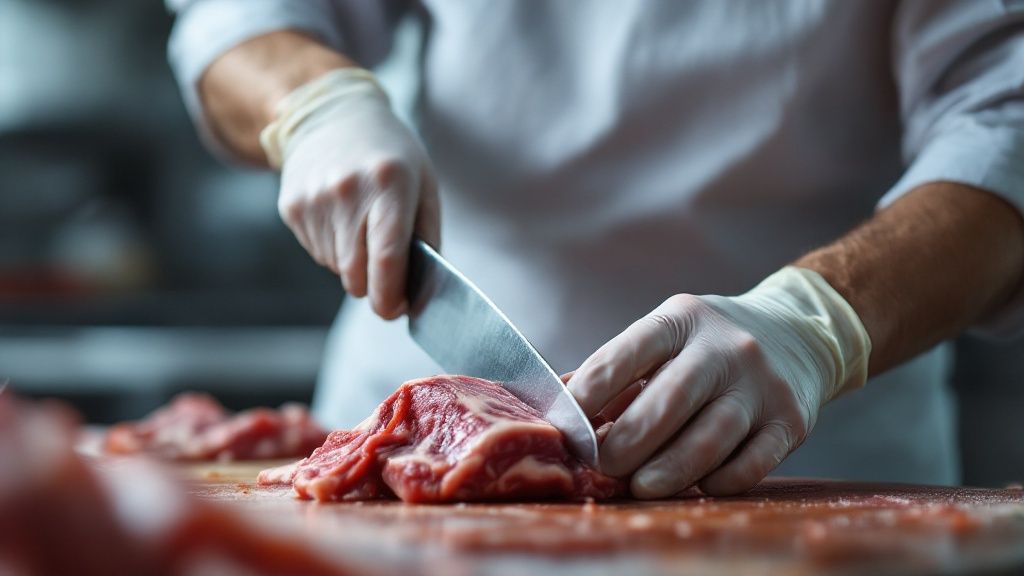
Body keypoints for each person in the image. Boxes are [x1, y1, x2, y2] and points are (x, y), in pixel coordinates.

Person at [167, 1, 1024, 498]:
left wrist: (820, 323)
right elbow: (245, 15)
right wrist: (315, 105)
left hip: (806, 456)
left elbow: (1005, 119)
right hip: (412, 451)